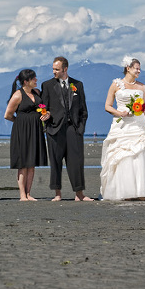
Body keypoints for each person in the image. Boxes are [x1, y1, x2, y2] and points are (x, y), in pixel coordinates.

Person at [99, 56, 145, 201]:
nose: (139, 71)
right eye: (136, 68)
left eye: (140, 69)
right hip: (122, 126)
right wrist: (119, 113)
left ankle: (143, 191)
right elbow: (107, 106)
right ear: (128, 68)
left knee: (141, 156)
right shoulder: (116, 85)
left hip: (139, 125)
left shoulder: (142, 87)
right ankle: (125, 192)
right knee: (123, 157)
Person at [40, 56, 93, 202]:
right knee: (55, 162)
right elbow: (43, 106)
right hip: (54, 129)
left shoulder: (78, 85)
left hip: (73, 129)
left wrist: (80, 128)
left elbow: (83, 109)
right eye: (53, 69)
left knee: (76, 162)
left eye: (57, 69)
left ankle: (79, 194)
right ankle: (57, 194)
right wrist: (46, 118)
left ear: (65, 69)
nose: (54, 72)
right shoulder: (47, 85)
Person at [4, 69, 49, 201]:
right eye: (33, 78)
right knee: (23, 164)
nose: (36, 80)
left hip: (36, 130)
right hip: (21, 132)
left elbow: (44, 109)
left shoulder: (37, 92)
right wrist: (21, 122)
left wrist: (46, 113)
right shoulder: (18, 95)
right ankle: (22, 195)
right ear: (26, 81)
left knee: (31, 163)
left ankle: (28, 193)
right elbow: (8, 115)